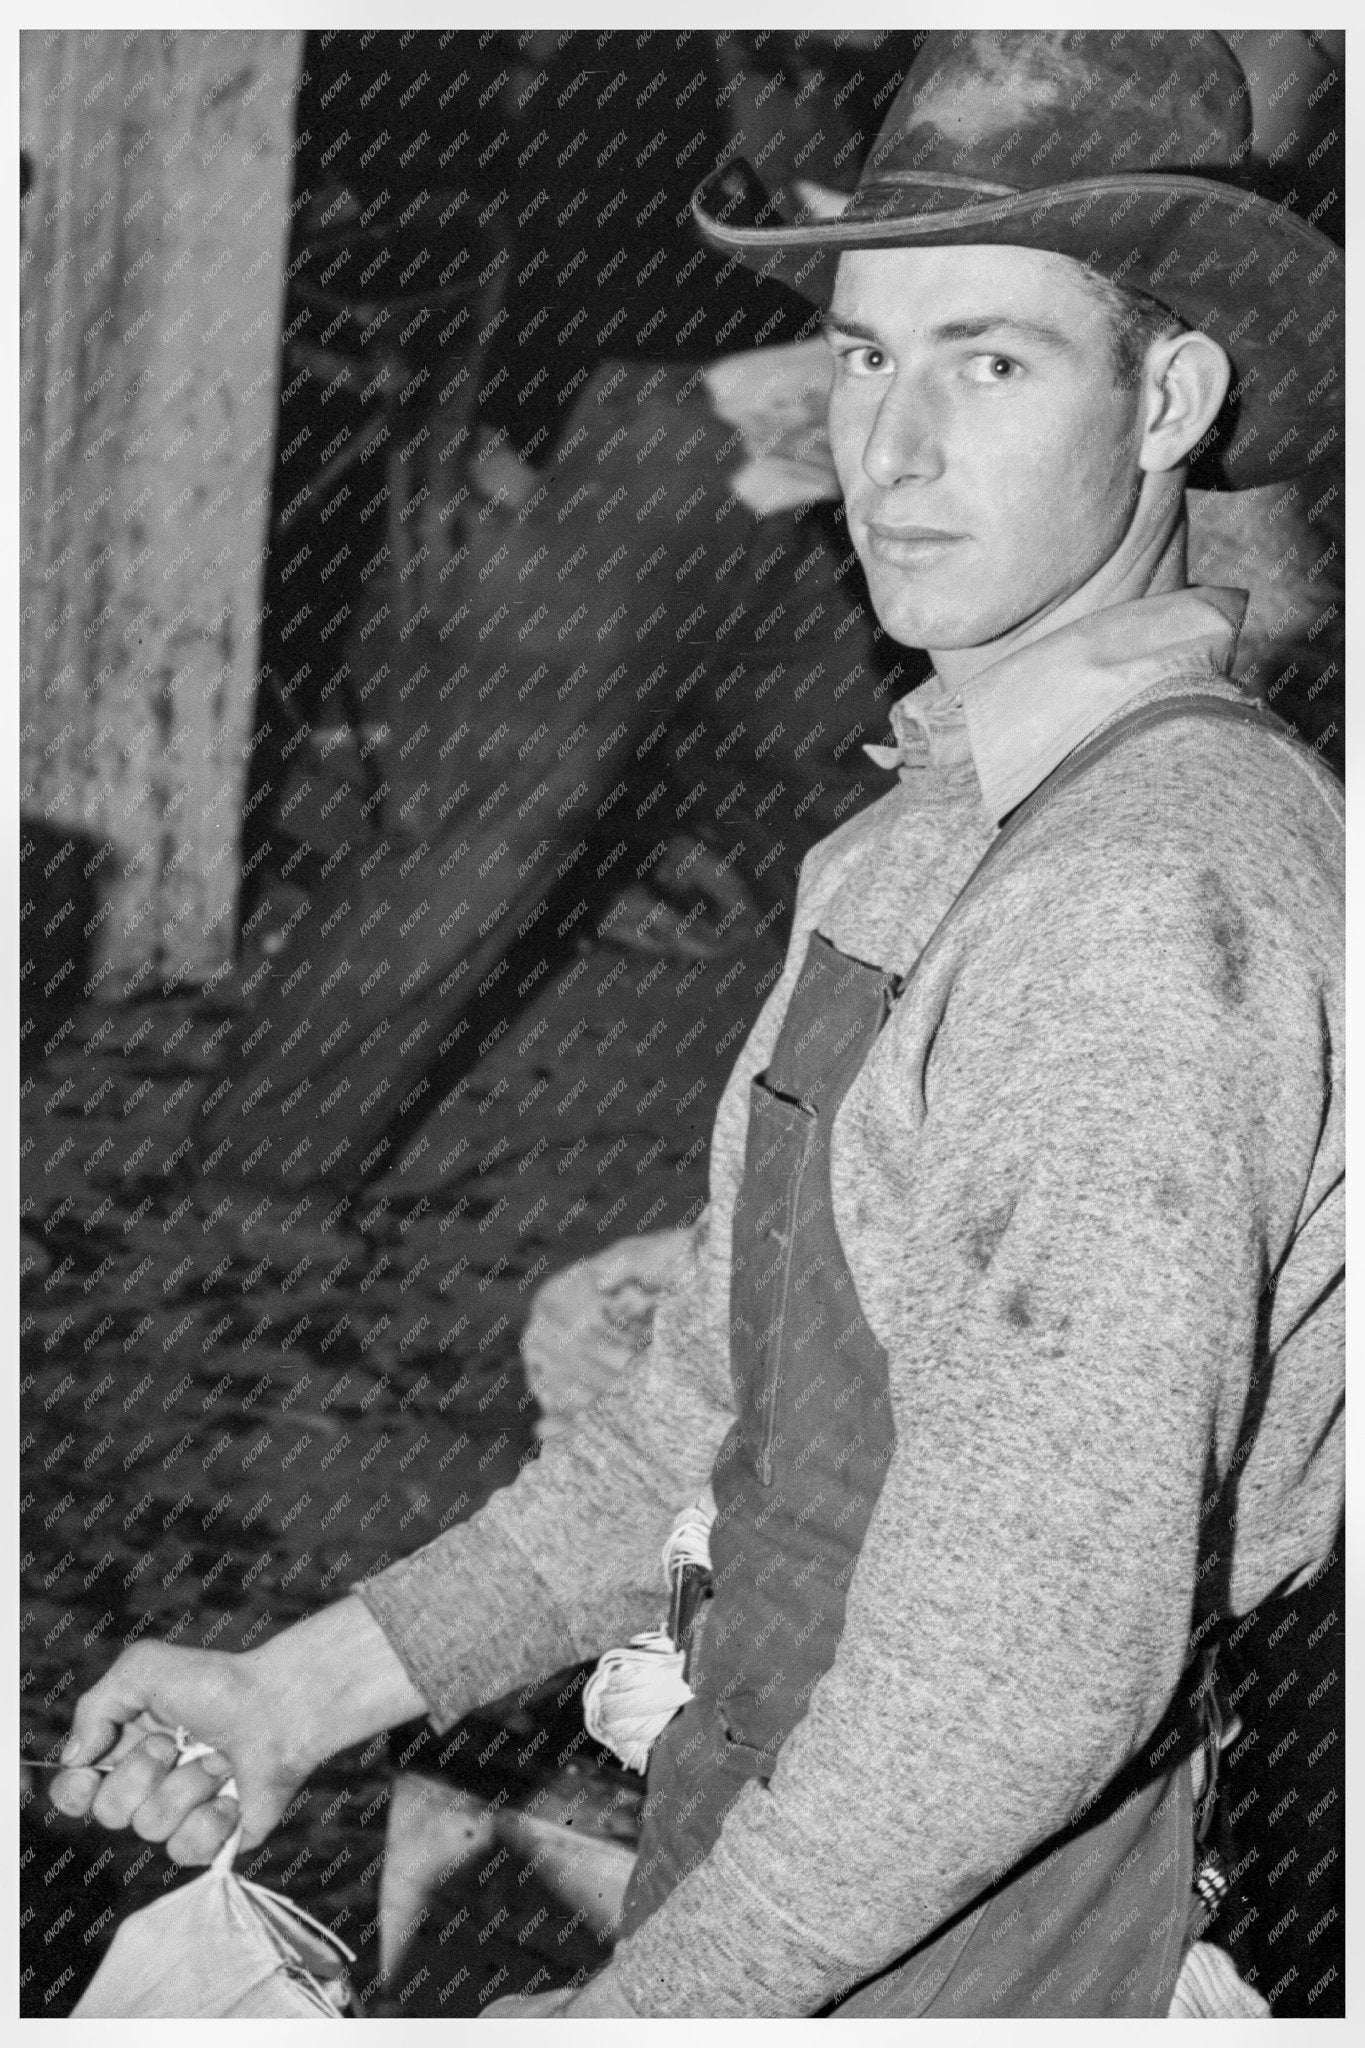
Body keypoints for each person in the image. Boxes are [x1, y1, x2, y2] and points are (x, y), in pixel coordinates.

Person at [53, 31, 1343, 2017]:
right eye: (859, 357)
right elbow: (695, 1439)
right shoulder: (916, 837)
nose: (887, 448)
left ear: (1167, 396)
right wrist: (297, 1682)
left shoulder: (1137, 907)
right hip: (755, 1855)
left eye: (988, 361)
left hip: (943, 1961)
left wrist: (646, 2009)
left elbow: (1022, 1670)